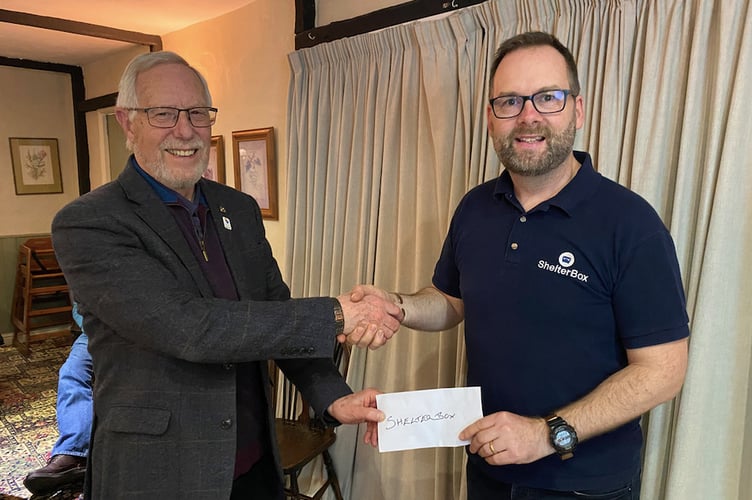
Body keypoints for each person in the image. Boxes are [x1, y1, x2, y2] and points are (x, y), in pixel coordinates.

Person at [350, 31, 690, 500]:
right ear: (491, 118)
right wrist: (399, 306)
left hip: (586, 486)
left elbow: (662, 371)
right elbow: (451, 300)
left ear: (578, 109)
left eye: (547, 97)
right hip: (489, 470)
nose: (528, 116)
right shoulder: (474, 208)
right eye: (510, 101)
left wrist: (544, 435)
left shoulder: (630, 224)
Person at [50, 50, 400, 499]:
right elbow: (190, 328)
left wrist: (332, 396)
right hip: (158, 472)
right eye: (163, 113)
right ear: (127, 122)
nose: (185, 129)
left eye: (198, 113)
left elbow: (277, 315)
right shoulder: (90, 222)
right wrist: (338, 314)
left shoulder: (238, 208)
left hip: (252, 461)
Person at [23, 303, 91, 496]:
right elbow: (79, 309)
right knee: (71, 374)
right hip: (95, 333)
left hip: (139, 336)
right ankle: (74, 453)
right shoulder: (86, 275)